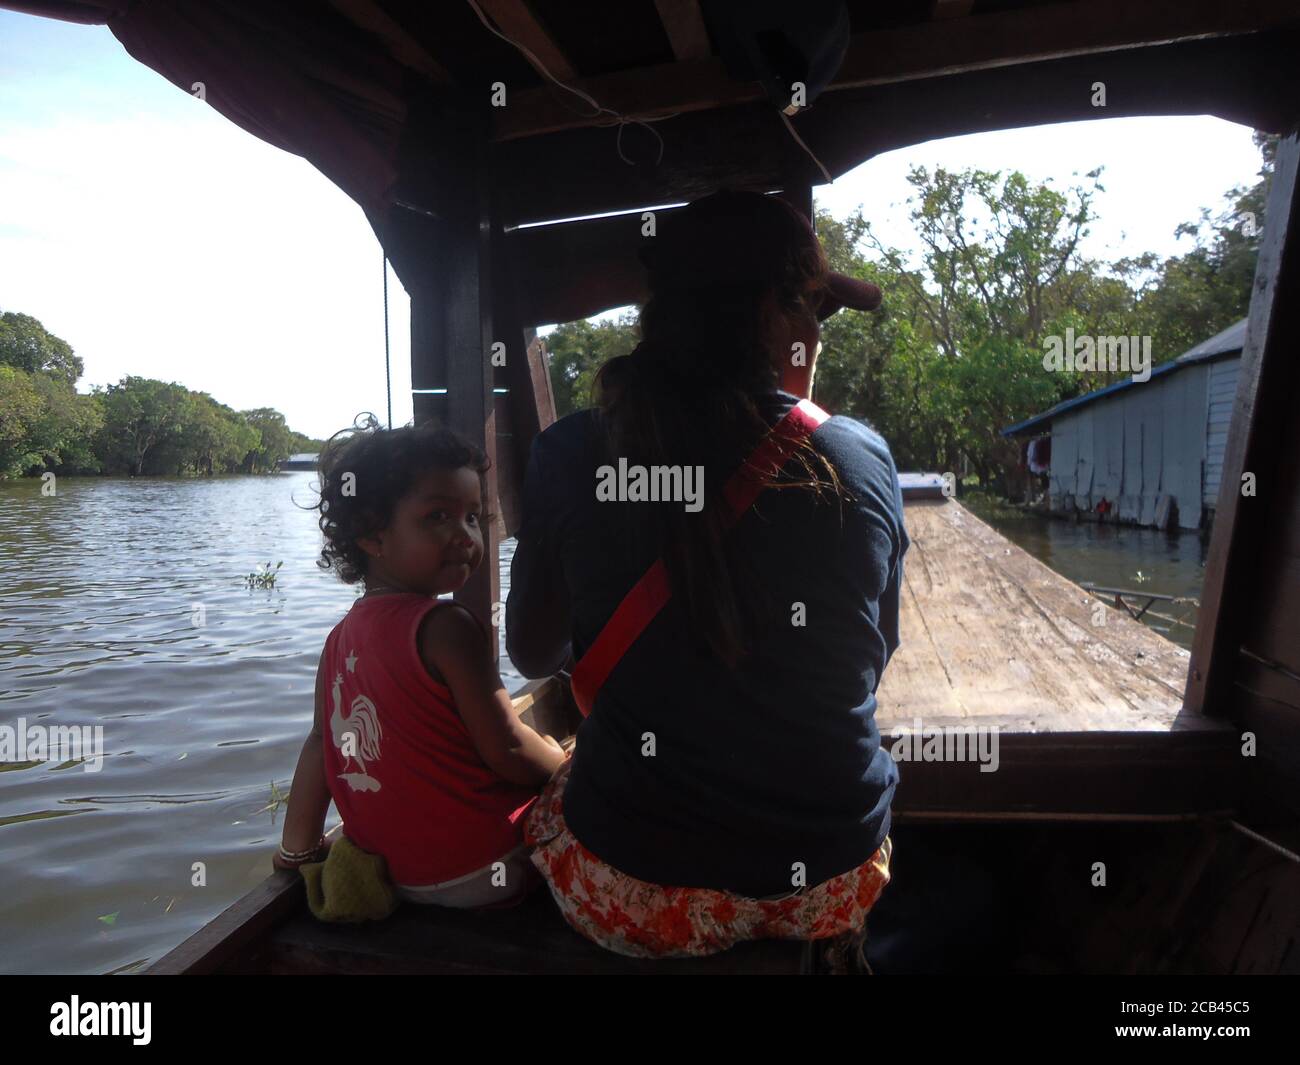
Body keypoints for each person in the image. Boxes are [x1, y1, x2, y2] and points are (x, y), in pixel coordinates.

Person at [507, 189, 910, 963]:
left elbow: (531, 653)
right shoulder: (862, 458)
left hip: (632, 891)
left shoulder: (568, 453)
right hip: (825, 875)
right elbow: (875, 652)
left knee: (555, 801)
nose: (817, 339)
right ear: (773, 313)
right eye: (817, 313)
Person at [275, 420, 566, 909]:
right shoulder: (447, 627)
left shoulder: (338, 639)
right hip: (484, 870)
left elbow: (321, 743)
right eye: (437, 516)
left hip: (395, 875)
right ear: (372, 534)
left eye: (472, 516)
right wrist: (563, 764)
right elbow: (510, 748)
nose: (464, 535)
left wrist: (296, 852)